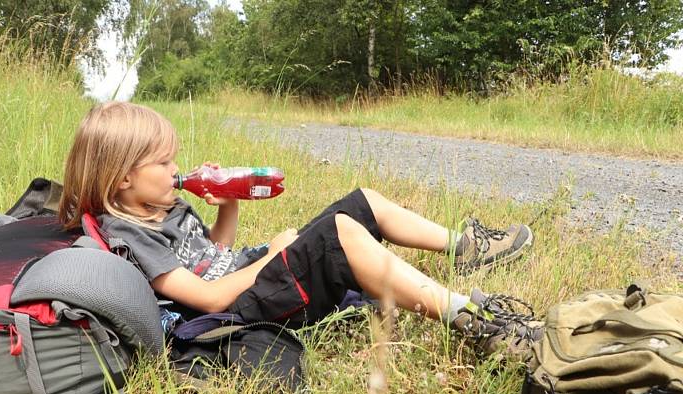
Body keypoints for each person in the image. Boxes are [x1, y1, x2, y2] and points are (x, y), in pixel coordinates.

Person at [59, 102, 542, 355]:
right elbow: (206, 298)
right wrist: (272, 257)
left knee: (363, 203)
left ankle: (465, 245)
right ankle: (475, 320)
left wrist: (229, 207)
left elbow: (214, 255)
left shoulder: (165, 207)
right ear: (123, 177)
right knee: (341, 233)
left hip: (250, 279)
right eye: (163, 162)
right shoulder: (132, 237)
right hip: (241, 311)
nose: (176, 168)